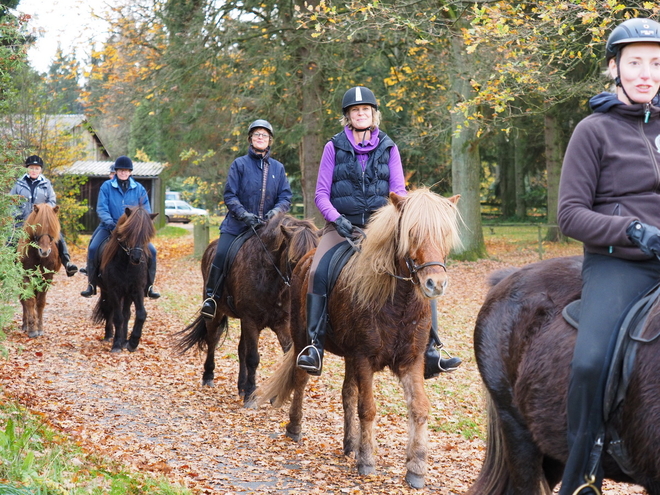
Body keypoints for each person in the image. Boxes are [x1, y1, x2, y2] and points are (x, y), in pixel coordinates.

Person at [557, 18, 660, 495]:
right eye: (635, 62)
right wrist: (633, 230)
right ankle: (582, 475)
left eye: (656, 63)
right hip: (619, 263)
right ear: (614, 68)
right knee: (590, 361)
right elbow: (570, 216)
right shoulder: (591, 131)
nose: (646, 73)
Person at [295, 86, 462, 377]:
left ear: (374, 114)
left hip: (381, 229)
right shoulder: (333, 146)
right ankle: (314, 345)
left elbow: (398, 191)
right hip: (342, 227)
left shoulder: (389, 146)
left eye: (365, 110)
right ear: (348, 117)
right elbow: (321, 194)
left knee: (421, 270)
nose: (361, 114)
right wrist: (339, 221)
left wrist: (397, 218)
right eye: (355, 111)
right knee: (317, 271)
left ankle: (433, 347)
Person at [200, 119, 292, 319]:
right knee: (221, 254)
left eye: (264, 135)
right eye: (257, 134)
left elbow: (285, 197)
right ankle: (211, 298)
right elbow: (230, 195)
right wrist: (243, 214)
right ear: (250, 138)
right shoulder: (239, 164)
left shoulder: (277, 168)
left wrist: (276, 212)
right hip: (237, 226)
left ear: (270, 140)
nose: (261, 138)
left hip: (267, 228)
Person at [80, 156, 160, 299]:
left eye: (126, 170)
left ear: (130, 172)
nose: (123, 173)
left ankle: (149, 286)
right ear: (116, 171)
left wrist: (140, 225)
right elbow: (102, 208)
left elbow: (145, 210)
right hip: (109, 226)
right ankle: (91, 284)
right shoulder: (106, 187)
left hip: (132, 231)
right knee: (93, 248)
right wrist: (110, 223)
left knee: (152, 251)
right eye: (120, 170)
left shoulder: (139, 189)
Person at [10, 155, 78, 277]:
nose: (34, 171)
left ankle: (67, 262)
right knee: (11, 240)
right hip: (22, 223)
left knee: (59, 237)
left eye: (37, 168)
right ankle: (6, 267)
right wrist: (17, 215)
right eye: (31, 168)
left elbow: (52, 200)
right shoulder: (19, 184)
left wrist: (44, 211)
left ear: (40, 170)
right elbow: (11, 202)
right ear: (27, 169)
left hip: (42, 223)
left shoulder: (46, 184)